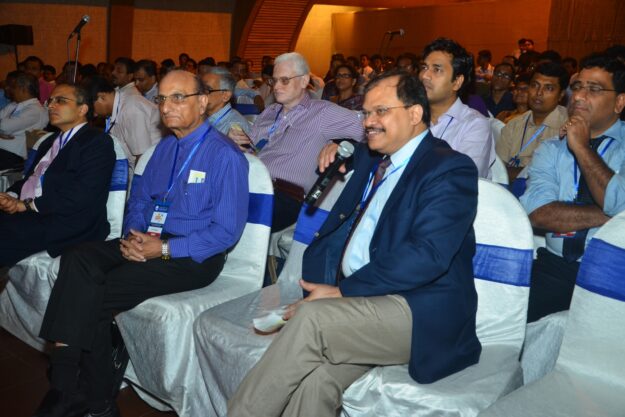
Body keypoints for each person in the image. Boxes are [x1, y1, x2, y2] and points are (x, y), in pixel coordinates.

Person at [228, 69, 481, 417]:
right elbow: (351, 153)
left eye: (381, 111)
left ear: (414, 113)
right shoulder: (372, 157)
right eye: (366, 113)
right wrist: (337, 147)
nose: (368, 122)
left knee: (311, 321)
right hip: (364, 300)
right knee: (316, 381)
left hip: (418, 309)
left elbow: (428, 255)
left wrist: (343, 293)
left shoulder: (449, 169)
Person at [33, 70, 249, 417]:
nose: (166, 106)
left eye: (178, 97)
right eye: (162, 98)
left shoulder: (225, 156)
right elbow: (139, 201)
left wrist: (162, 249)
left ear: (203, 102)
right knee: (78, 258)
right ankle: (75, 387)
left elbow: (225, 232)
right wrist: (135, 234)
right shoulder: (164, 148)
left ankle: (78, 392)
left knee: (93, 293)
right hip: (147, 240)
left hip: (193, 255)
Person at [520, 53, 625, 322]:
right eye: (577, 87)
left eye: (594, 89)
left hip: (615, 271)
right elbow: (538, 213)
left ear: (619, 102)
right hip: (554, 268)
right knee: (507, 325)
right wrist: (613, 216)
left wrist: (581, 147)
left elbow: (616, 200)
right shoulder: (551, 148)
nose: (578, 96)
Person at [228, 52, 363, 232]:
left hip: (283, 196)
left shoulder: (322, 112)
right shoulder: (269, 112)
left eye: (284, 80)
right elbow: (251, 150)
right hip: (248, 184)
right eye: (274, 80)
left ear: (303, 80)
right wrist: (236, 143)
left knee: (223, 213)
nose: (276, 87)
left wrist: (342, 147)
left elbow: (370, 130)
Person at [0, 83, 115, 267]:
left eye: (61, 101)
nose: (51, 106)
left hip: (67, 222)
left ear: (82, 109)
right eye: (50, 101)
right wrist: (11, 196)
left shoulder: (97, 142)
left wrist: (27, 205)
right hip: (33, 213)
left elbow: (82, 193)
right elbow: (31, 179)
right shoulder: (49, 141)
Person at [419, 38, 495, 178]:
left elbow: (463, 178)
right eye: (424, 67)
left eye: (436, 69)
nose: (424, 76)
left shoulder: (474, 125)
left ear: (457, 82)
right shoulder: (410, 116)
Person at [496, 61, 569, 181]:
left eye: (548, 88)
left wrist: (515, 172)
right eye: (535, 85)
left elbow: (556, 175)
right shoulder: (514, 124)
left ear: (561, 95)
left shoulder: (568, 126)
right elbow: (498, 170)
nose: (539, 93)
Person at [109, 57, 162, 168]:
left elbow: (141, 151)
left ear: (153, 78)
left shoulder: (158, 95)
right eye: (136, 79)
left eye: (141, 80)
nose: (137, 83)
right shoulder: (126, 93)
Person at [0, 71, 48, 169]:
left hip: (12, 155)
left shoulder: (35, 110)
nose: (10, 90)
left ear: (23, 89)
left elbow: (4, 127)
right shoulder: (14, 105)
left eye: (13, 87)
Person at [200, 66, 252, 136]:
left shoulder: (235, 128)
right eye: (200, 89)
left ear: (225, 96)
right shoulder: (202, 117)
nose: (200, 94)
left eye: (207, 90)